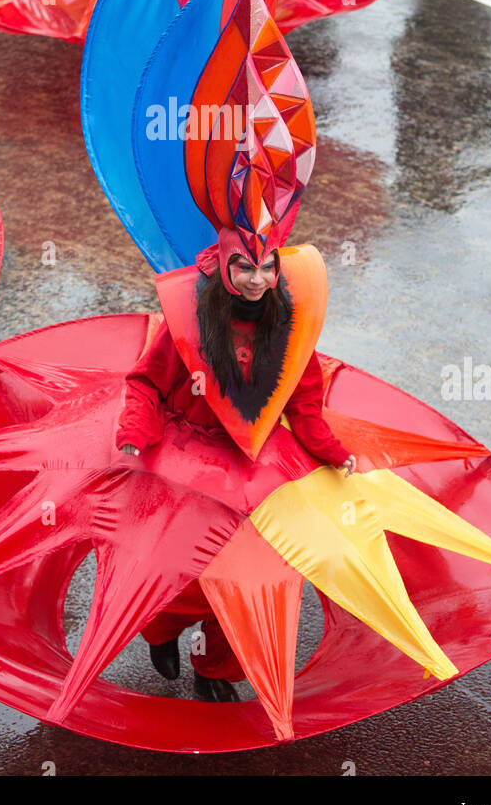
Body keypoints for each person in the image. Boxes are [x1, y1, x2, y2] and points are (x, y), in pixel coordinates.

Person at [117, 245, 355, 701]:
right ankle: (161, 628)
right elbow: (146, 383)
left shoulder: (291, 330)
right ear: (224, 268)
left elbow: (304, 406)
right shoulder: (188, 323)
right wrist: (135, 430)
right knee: (182, 569)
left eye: (267, 268)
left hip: (251, 468)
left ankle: (216, 669)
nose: (256, 279)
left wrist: (331, 452)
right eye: (245, 266)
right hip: (184, 463)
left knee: (250, 574)